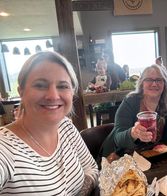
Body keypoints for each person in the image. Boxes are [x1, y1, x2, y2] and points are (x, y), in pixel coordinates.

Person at [0, 51, 98, 195]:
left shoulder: (66, 127)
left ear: (72, 93)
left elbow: (91, 168)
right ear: (21, 91)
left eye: (63, 86)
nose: (53, 96)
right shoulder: (5, 147)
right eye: (40, 85)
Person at [100, 64, 167, 157]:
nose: (154, 84)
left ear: (165, 84)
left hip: (150, 158)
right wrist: (133, 133)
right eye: (149, 80)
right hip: (118, 157)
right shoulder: (131, 101)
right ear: (142, 83)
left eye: (159, 80)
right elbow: (117, 138)